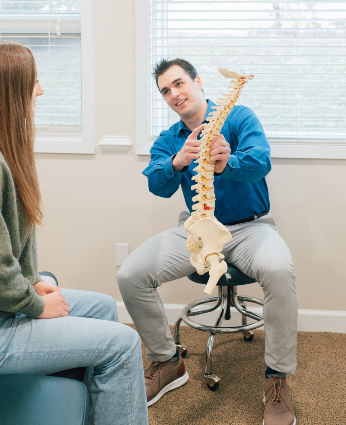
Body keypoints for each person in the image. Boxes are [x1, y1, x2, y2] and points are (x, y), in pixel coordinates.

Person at [0, 40, 148, 425]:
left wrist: (31, 282)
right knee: (123, 344)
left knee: (101, 307)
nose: (41, 91)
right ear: (7, 91)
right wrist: (31, 303)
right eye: (34, 82)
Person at [117, 58, 297, 425]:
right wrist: (177, 163)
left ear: (197, 82)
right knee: (130, 273)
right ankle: (168, 362)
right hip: (198, 229)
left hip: (251, 227)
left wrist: (227, 161)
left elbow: (261, 161)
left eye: (179, 84)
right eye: (165, 90)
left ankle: (276, 379)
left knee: (279, 270)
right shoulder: (171, 139)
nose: (174, 94)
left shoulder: (239, 117)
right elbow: (156, 182)